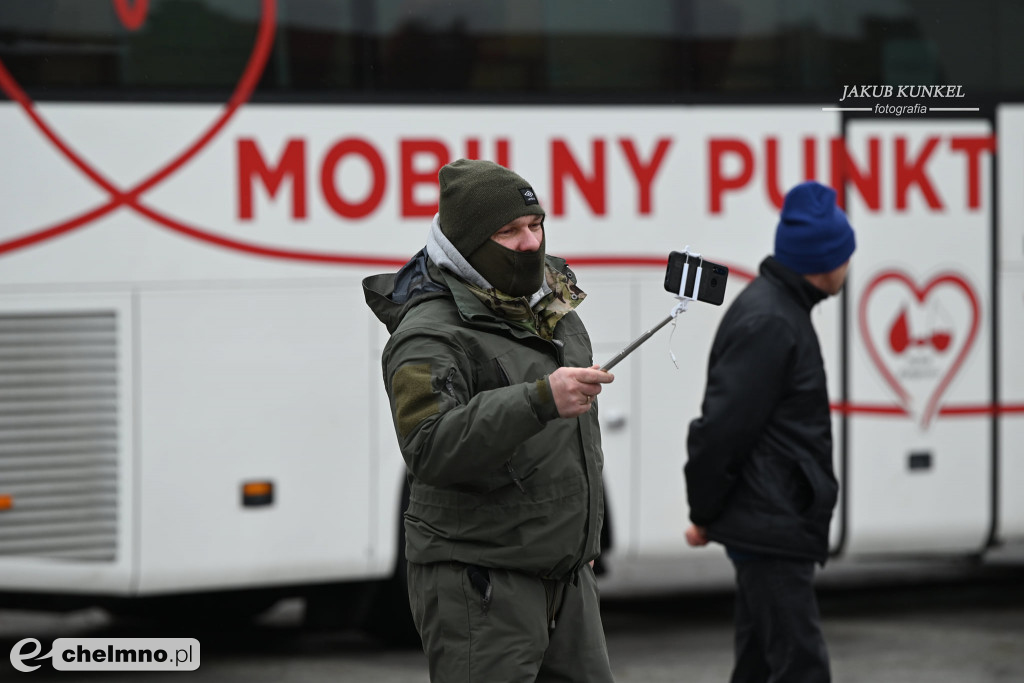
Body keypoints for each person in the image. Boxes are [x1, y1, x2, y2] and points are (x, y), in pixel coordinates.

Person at [363, 158, 616, 683]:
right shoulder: (427, 335)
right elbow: (429, 447)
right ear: (470, 245)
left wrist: (578, 542)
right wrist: (540, 398)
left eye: (535, 224)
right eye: (509, 231)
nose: (529, 242)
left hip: (566, 579)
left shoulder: (549, 307)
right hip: (482, 582)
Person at [683, 181, 856, 683]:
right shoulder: (772, 322)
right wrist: (703, 511)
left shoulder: (779, 310)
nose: (850, 265)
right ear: (824, 261)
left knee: (760, 665)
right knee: (801, 667)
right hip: (772, 522)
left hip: (771, 517)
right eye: (846, 253)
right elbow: (721, 430)